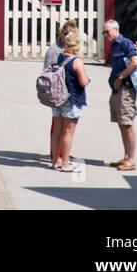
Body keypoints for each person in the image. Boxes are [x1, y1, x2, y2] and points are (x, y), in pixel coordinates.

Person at [49, 30, 90, 171]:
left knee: (57, 131)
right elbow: (82, 82)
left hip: (57, 97)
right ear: (77, 45)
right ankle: (66, 163)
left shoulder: (60, 57)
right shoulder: (76, 61)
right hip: (72, 99)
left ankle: (56, 161)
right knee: (68, 132)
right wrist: (88, 79)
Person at [103, 19, 137, 171]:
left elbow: (134, 62)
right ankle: (126, 157)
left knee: (127, 124)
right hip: (117, 90)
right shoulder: (115, 45)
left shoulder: (125, 43)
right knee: (122, 124)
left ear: (116, 29)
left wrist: (120, 78)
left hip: (126, 89)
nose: (105, 35)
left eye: (107, 32)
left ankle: (130, 160)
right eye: (104, 32)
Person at [44, 19, 78, 163]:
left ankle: (61, 153)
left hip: (68, 92)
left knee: (64, 127)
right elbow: (47, 72)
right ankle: (56, 156)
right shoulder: (54, 50)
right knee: (58, 127)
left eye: (71, 33)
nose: (68, 36)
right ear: (61, 33)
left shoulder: (69, 49)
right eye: (66, 33)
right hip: (57, 92)